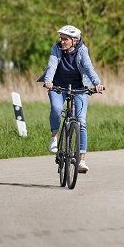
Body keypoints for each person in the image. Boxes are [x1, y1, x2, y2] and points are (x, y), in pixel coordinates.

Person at [38, 25, 104, 173]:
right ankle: (54, 137)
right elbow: (52, 65)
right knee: (57, 109)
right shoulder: (56, 49)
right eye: (61, 39)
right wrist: (48, 81)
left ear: (74, 41)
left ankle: (81, 161)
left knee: (81, 121)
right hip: (57, 87)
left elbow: (88, 67)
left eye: (65, 39)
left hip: (79, 88)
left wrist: (97, 83)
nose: (62, 42)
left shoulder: (82, 51)